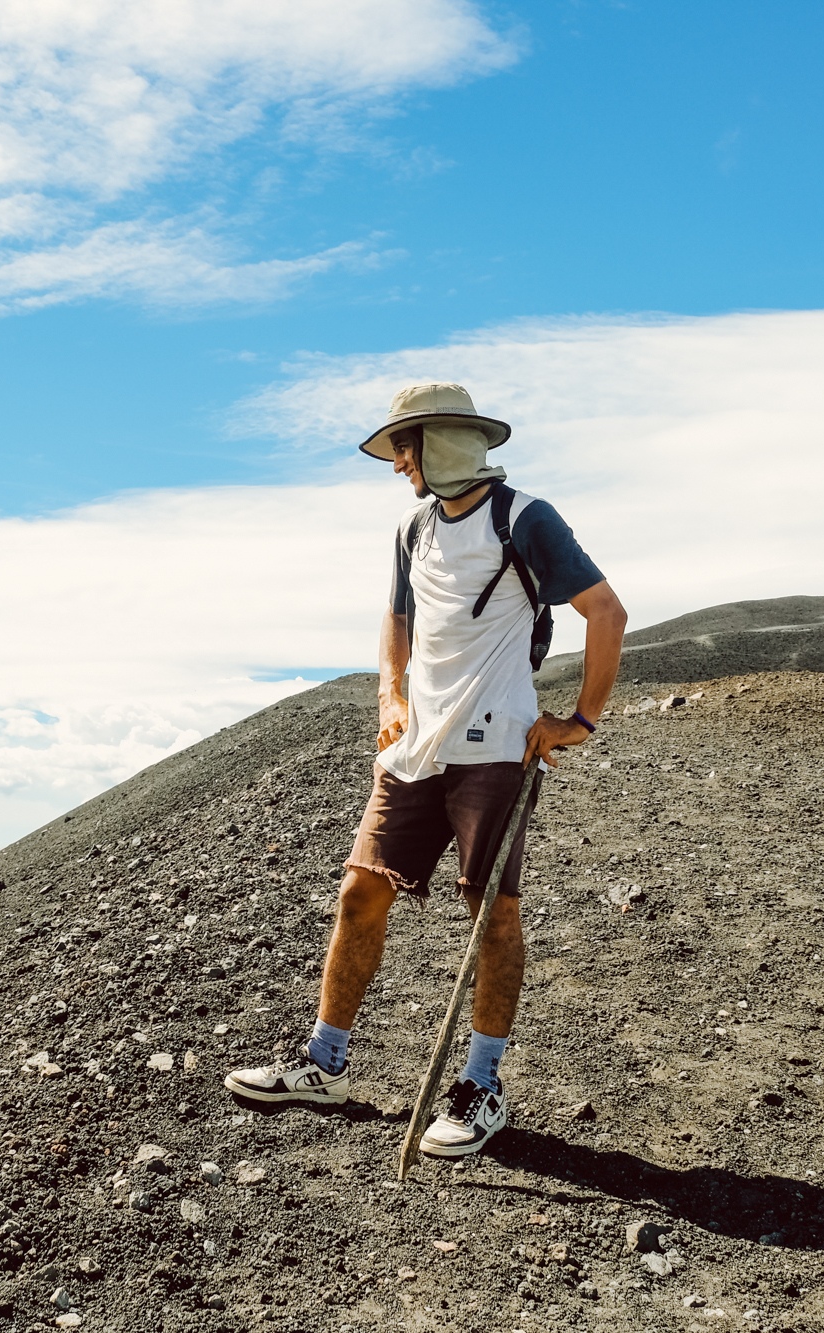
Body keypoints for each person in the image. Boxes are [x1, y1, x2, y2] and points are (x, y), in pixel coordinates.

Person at [225, 382, 627, 1158]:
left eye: (405, 447)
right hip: (416, 749)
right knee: (360, 890)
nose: (397, 463)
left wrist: (578, 720)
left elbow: (604, 611)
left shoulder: (525, 518)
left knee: (490, 909)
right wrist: (389, 690)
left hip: (494, 745)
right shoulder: (413, 527)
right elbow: (398, 616)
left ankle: (481, 1086)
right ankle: (324, 1063)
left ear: (441, 442)